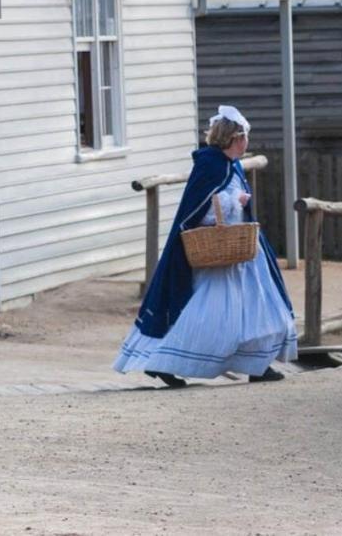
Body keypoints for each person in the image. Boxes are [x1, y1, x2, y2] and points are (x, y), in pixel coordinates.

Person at [114, 105, 297, 388]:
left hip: (243, 253)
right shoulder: (210, 164)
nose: (247, 141)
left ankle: (257, 364)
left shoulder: (230, 164)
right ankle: (163, 362)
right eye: (245, 136)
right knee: (210, 318)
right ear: (236, 139)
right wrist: (235, 201)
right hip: (218, 255)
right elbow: (200, 210)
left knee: (260, 306)